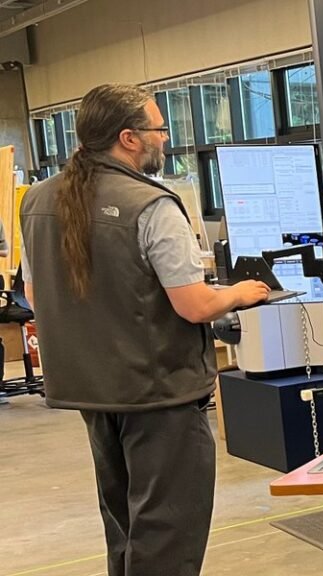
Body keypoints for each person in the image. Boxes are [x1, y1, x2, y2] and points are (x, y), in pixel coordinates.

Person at [20, 84, 269, 576]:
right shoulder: (151, 205)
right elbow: (194, 305)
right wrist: (241, 293)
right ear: (129, 138)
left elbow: (36, 293)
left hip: (92, 391)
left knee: (125, 525)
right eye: (159, 128)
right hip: (159, 394)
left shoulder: (38, 200)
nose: (166, 138)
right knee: (167, 533)